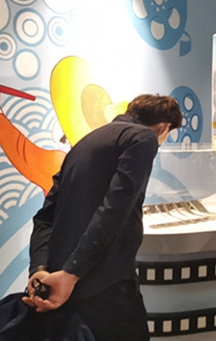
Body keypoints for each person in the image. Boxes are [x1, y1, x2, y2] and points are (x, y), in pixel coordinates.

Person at [22, 94, 183, 340]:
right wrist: (72, 274)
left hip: (59, 278)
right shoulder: (143, 138)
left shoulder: (85, 142)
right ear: (164, 128)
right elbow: (114, 210)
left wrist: (39, 268)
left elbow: (46, 216)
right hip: (106, 282)